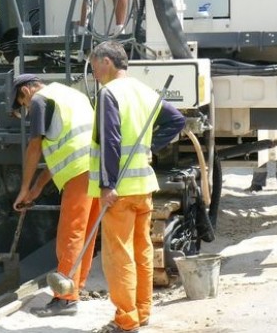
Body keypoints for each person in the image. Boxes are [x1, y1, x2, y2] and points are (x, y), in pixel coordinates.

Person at [88, 41, 185, 333]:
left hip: (119, 189)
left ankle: (125, 318)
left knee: (118, 255)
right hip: (144, 187)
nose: (92, 70)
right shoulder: (144, 92)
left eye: (93, 63)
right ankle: (142, 311)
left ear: (106, 61)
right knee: (141, 251)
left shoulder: (109, 94)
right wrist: (149, 146)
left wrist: (106, 184)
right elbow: (176, 119)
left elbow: (111, 142)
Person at [10, 74, 101, 317]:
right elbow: (64, 145)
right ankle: (74, 288)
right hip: (97, 168)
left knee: (70, 235)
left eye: (22, 104)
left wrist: (23, 189)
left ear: (26, 91)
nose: (26, 109)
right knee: (86, 234)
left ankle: (65, 299)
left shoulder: (40, 100)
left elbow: (35, 147)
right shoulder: (72, 94)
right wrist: (37, 188)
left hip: (79, 172)